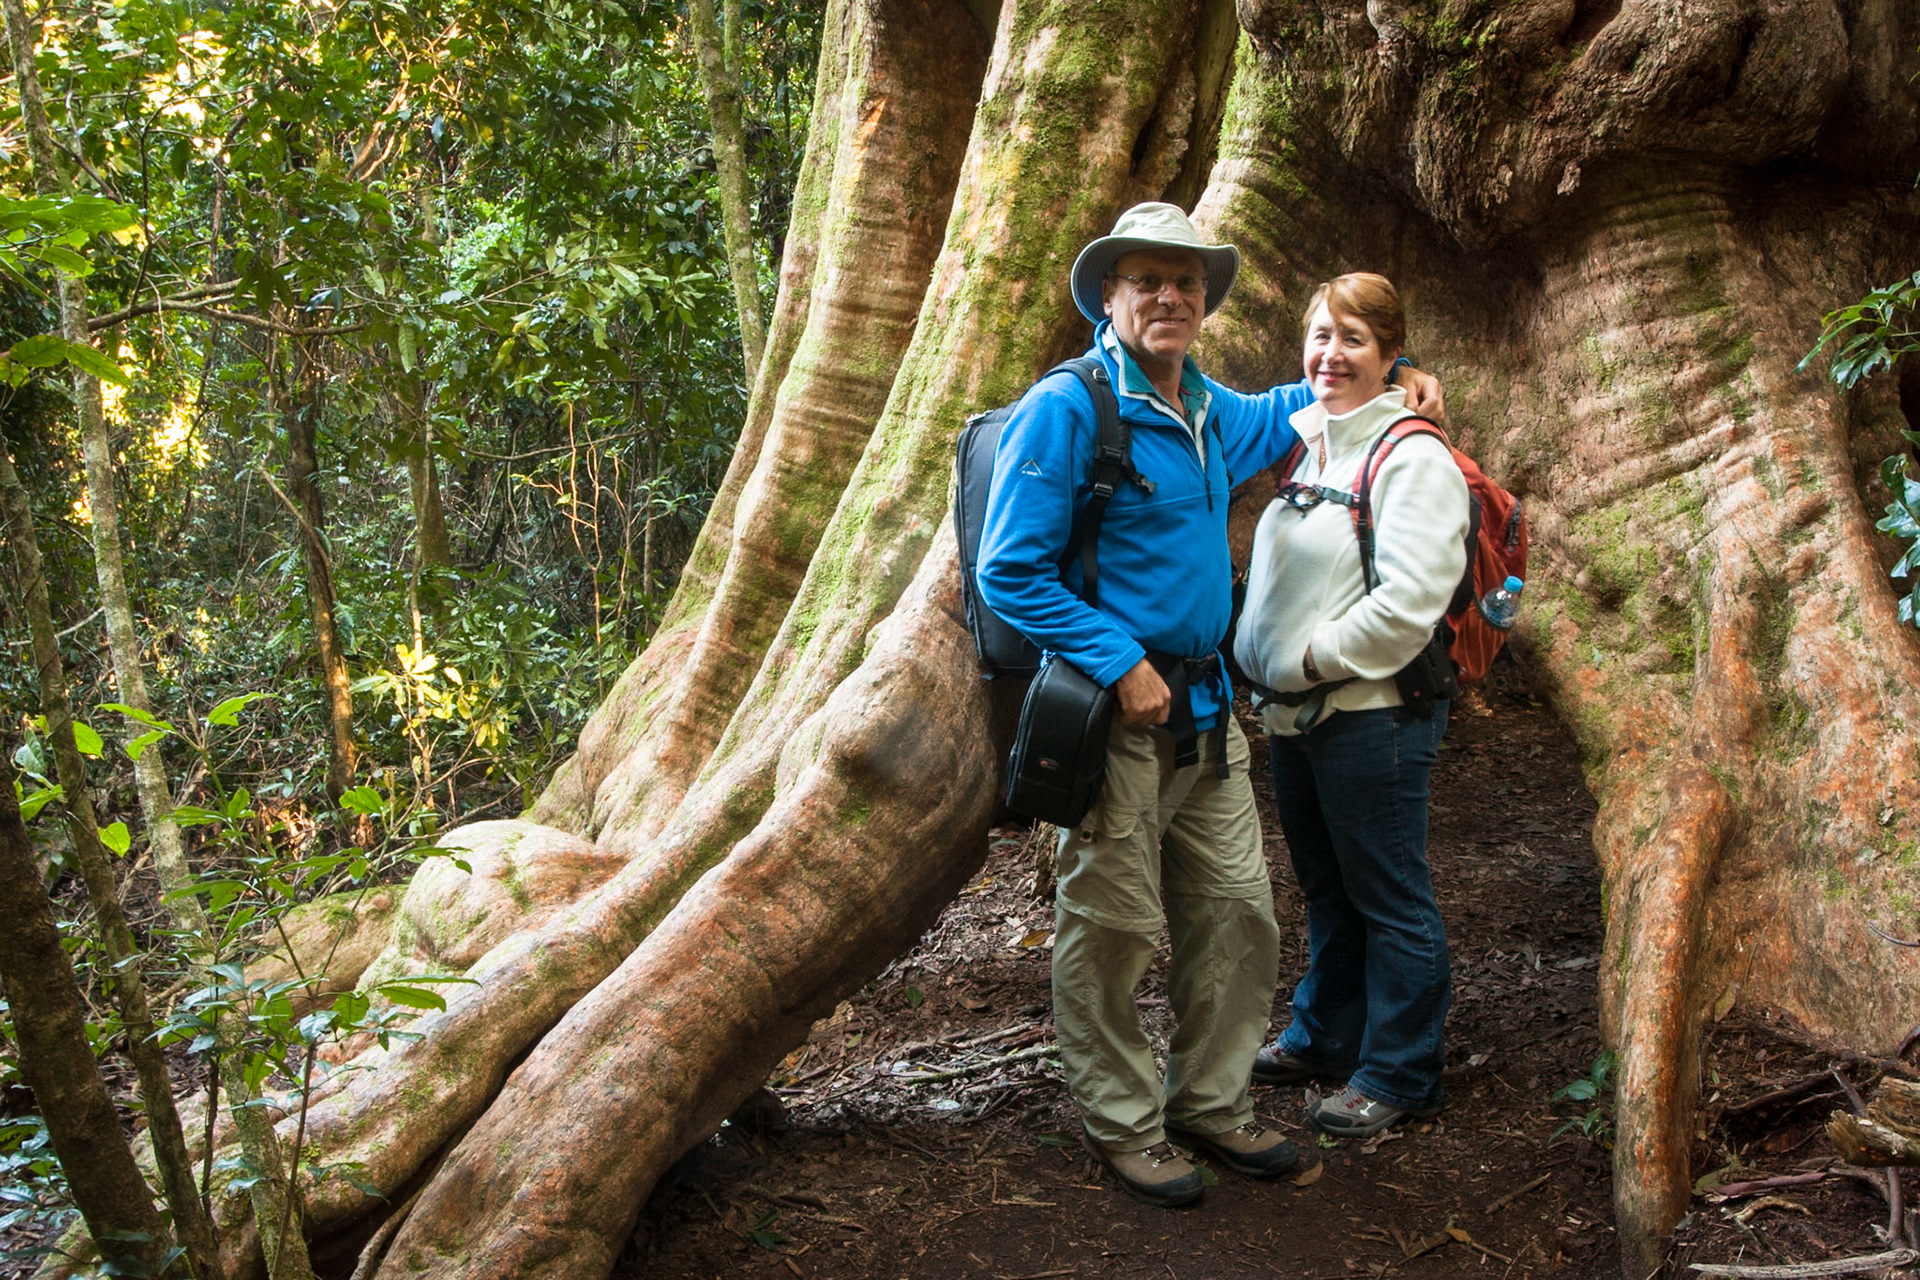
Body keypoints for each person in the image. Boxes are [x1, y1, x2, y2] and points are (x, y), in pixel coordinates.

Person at [975, 207, 1444, 1206]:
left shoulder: (1205, 406)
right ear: (1110, 294)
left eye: (1185, 283)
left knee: (1239, 913)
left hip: (1209, 711)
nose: (1169, 297)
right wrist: (1115, 659)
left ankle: (1211, 1100)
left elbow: (1301, 404)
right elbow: (1007, 570)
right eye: (1146, 280)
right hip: (1116, 714)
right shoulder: (1070, 408)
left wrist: (1399, 378)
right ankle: (1124, 1122)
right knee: (1112, 926)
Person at [1233, 272, 1469, 1140]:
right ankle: (1327, 1037)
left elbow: (1409, 604)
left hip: (1371, 717)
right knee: (1328, 889)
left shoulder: (1413, 457)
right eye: (1320, 336)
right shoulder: (1315, 443)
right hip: (1299, 716)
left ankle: (1402, 1073)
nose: (1331, 354)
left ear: (1390, 355)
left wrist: (1304, 660)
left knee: (1389, 894)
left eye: (1353, 340)